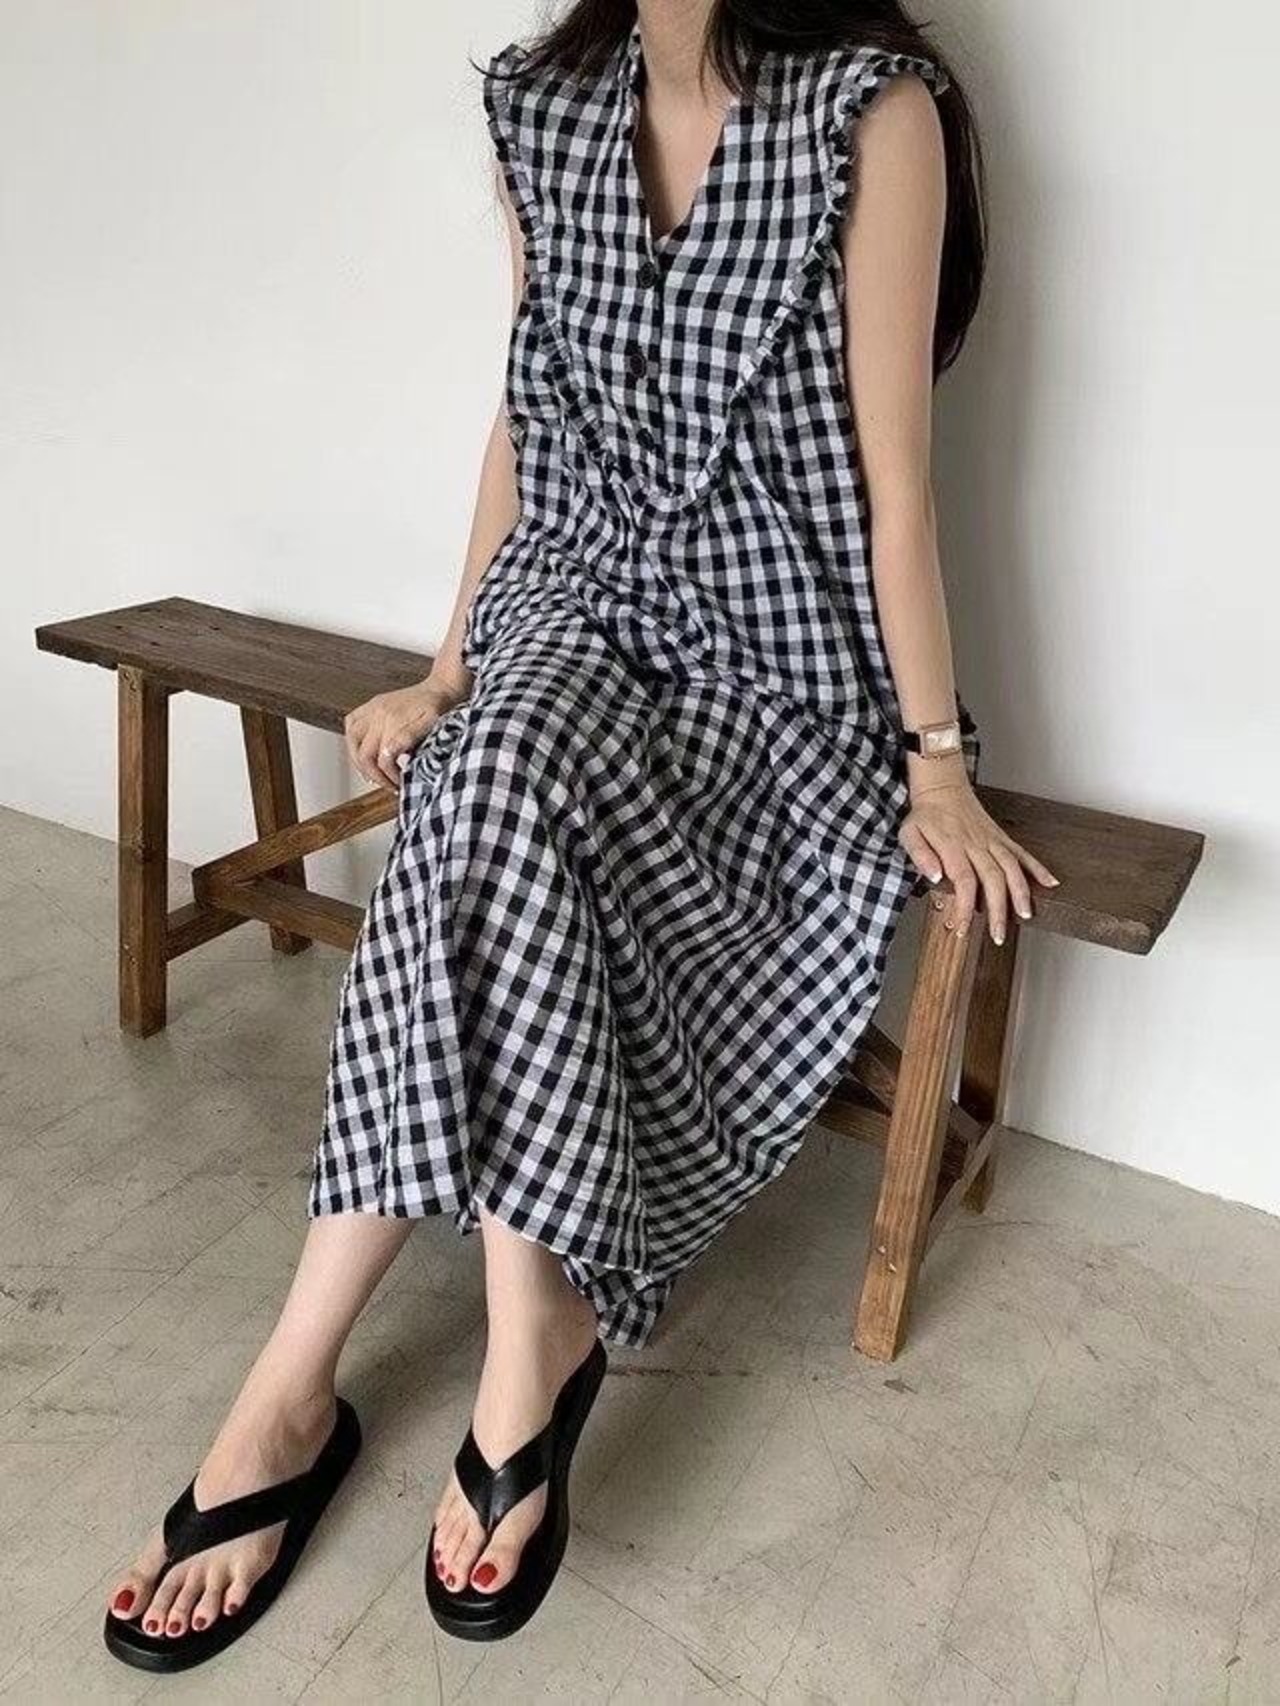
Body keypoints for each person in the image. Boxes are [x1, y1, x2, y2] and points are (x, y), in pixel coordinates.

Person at [103, 0, 1057, 1668]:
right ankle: (388, 1359)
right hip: (570, 617)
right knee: (487, 767)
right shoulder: (546, 109)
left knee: (496, 801)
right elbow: (521, 415)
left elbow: (898, 481)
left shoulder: (870, 115)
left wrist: (935, 761)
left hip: (771, 667)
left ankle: (414, 1366)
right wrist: (448, 664)